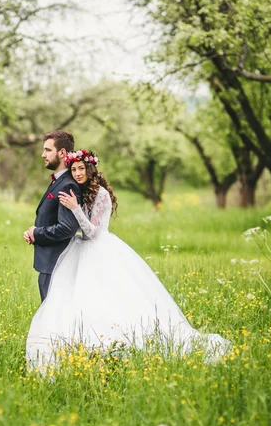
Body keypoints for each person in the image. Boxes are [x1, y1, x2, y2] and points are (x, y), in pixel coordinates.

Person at [26, 149, 231, 368]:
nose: (76, 173)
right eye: (74, 169)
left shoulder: (101, 194)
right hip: (82, 249)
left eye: (81, 169)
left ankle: (120, 344)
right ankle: (85, 345)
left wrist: (75, 209)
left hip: (100, 249)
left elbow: (93, 232)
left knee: (115, 299)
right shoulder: (81, 191)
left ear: (90, 168)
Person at [23, 131, 81, 302]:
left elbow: (67, 228)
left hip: (56, 264)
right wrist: (34, 233)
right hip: (49, 263)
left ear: (62, 153)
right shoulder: (59, 181)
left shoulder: (68, 184)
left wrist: (37, 233)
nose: (43, 155)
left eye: (48, 150)